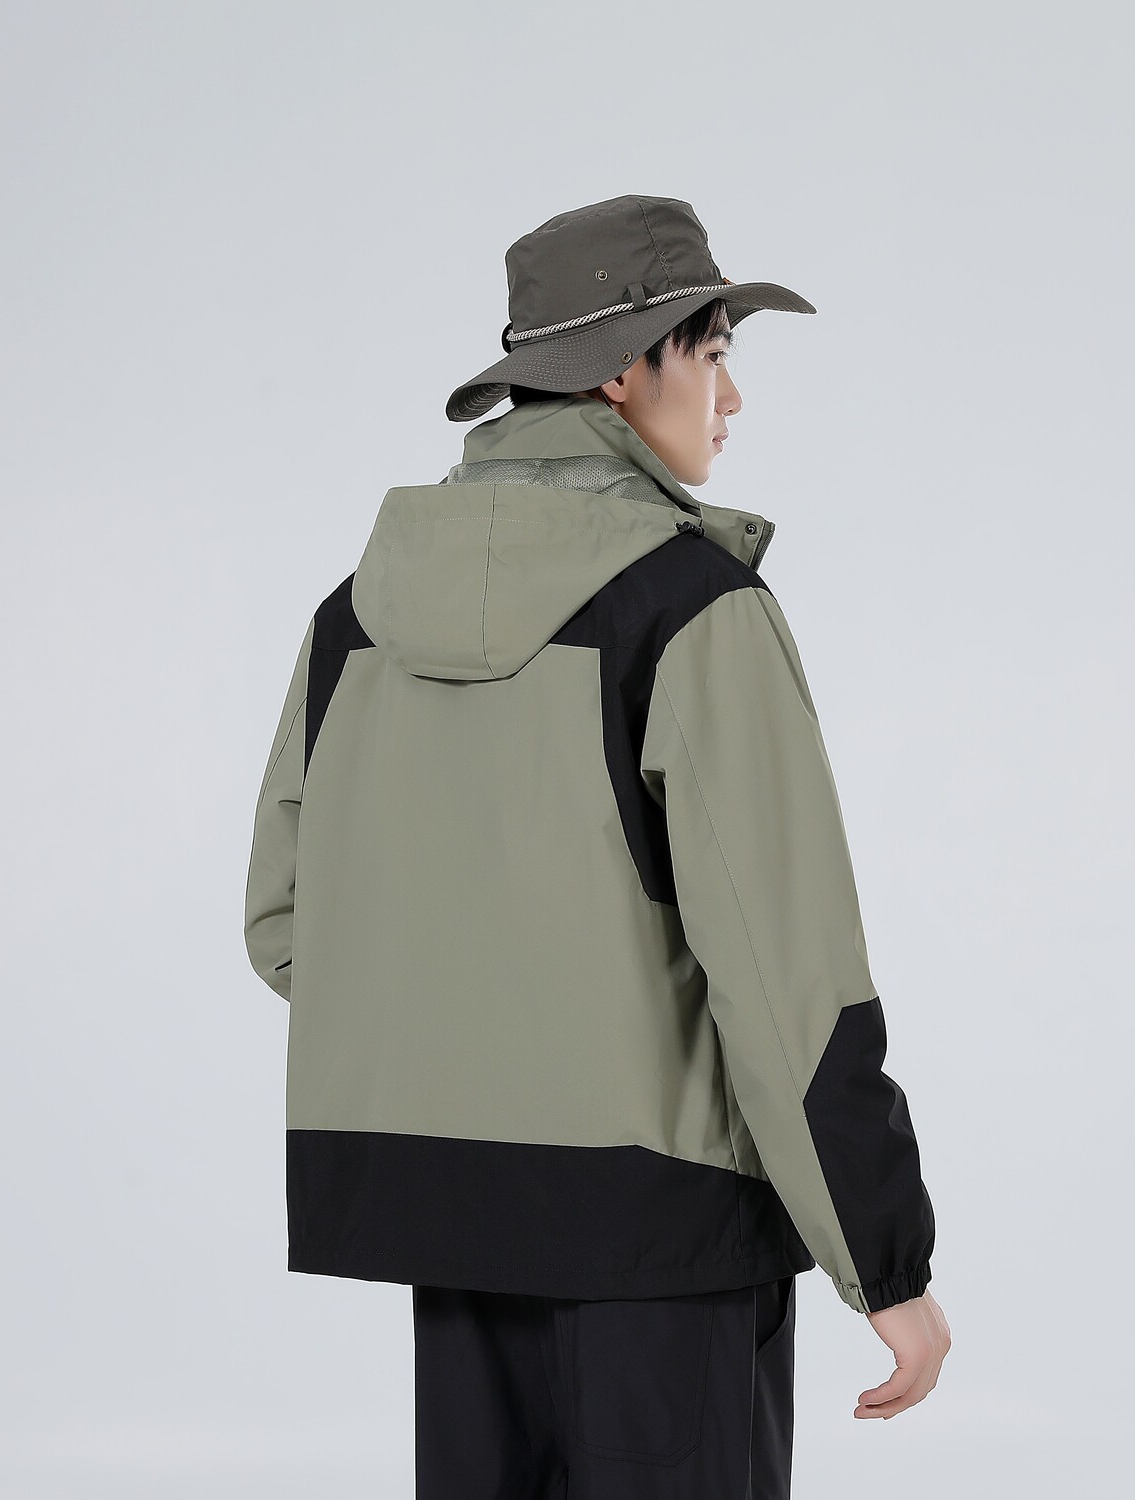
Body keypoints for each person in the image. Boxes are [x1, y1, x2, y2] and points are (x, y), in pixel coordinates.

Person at [243, 194, 950, 1498]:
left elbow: (289, 924)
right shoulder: (694, 611)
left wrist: (493, 1055)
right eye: (715, 354)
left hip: (452, 1229)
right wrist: (886, 1264)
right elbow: (788, 980)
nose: (732, 399)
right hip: (668, 1242)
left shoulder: (357, 618)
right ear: (624, 371)